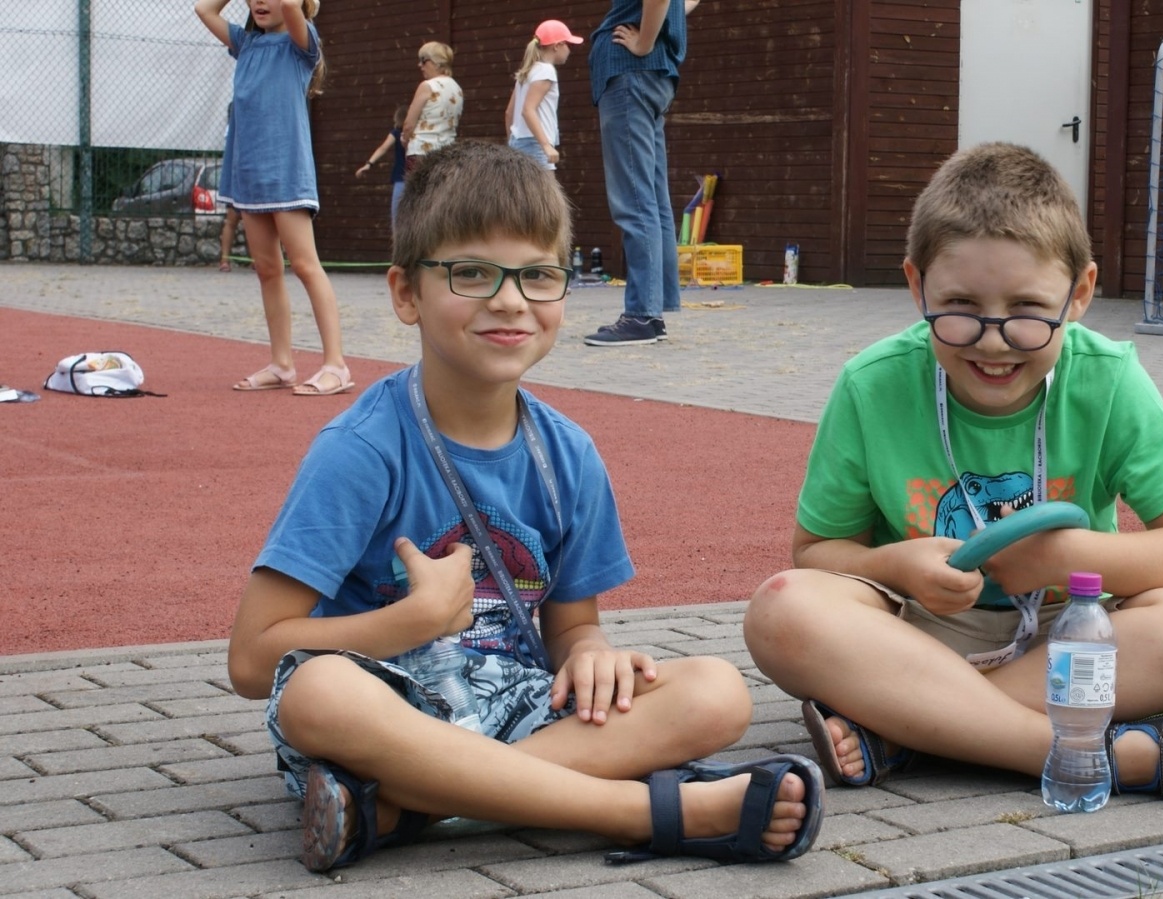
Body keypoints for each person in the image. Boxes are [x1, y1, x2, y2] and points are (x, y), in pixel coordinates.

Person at [228, 141, 823, 873]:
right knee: (318, 692)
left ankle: (398, 807)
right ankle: (651, 812)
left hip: (511, 704)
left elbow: (572, 628)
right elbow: (255, 661)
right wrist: (408, 621)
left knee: (717, 693)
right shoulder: (360, 449)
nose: (510, 300)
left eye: (539, 276)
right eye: (472, 273)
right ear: (406, 292)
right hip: (384, 708)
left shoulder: (568, 454)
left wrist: (594, 658)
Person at [742, 143, 1163, 803]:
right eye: (960, 305)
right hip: (914, 638)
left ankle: (909, 731)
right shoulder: (871, 384)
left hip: (1060, 635)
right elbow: (816, 555)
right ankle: (1092, 754)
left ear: (1079, 295)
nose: (993, 340)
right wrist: (901, 567)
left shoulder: (1109, 377)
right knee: (782, 610)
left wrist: (1061, 556)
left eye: (1025, 310)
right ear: (915, 285)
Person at [198, 0, 352, 397]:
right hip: (249, 176)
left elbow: (289, 6)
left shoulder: (302, 44)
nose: (260, 2)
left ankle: (336, 365)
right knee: (267, 270)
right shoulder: (246, 43)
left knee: (304, 265)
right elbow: (204, 9)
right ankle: (282, 364)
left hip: (286, 173)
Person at [583, 0, 701, 347]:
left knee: (634, 198)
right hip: (655, 75)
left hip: (630, 71)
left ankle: (642, 315)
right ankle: (653, 311)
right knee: (652, 199)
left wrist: (644, 41)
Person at [506, 21, 582, 172]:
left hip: (517, 142)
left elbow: (509, 113)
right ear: (556, 46)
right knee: (545, 194)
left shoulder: (526, 72)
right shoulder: (546, 71)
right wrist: (546, 145)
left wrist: (512, 144)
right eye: (568, 45)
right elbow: (528, 110)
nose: (569, 50)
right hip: (536, 145)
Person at [402, 42, 463, 171]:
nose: (420, 65)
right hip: (448, 155)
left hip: (421, 154)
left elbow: (408, 124)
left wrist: (406, 142)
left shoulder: (427, 86)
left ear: (435, 62)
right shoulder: (457, 89)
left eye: (423, 60)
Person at [356, 105, 410, 228]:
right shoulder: (415, 133)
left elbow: (383, 148)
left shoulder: (396, 133)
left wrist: (369, 164)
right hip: (412, 177)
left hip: (402, 178)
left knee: (397, 219)